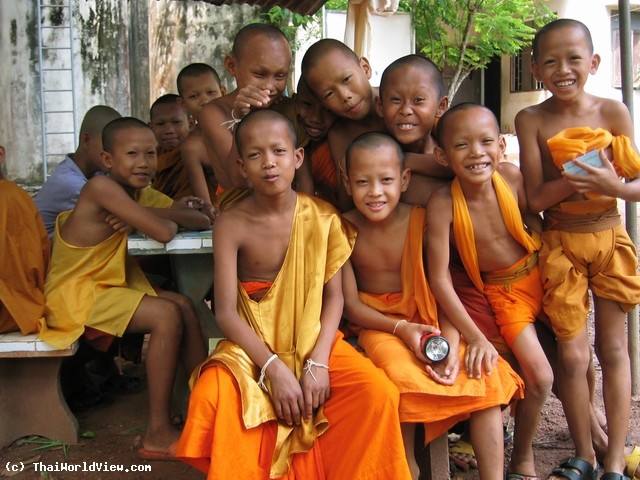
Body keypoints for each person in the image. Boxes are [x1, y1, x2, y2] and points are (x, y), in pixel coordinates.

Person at [176, 110, 411, 479]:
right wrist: (273, 368)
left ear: (297, 157)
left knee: (376, 392)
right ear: (241, 165)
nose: (268, 163)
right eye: (255, 155)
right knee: (211, 392)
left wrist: (317, 363)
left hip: (313, 339)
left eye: (279, 151)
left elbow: (334, 298)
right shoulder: (231, 224)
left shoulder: (322, 216)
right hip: (250, 345)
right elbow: (226, 313)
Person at [340, 131, 524, 480]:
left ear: (405, 180)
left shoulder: (421, 222)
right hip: (381, 326)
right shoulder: (341, 228)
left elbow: (443, 290)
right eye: (363, 182)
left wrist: (452, 346)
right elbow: (350, 305)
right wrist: (402, 329)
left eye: (386, 180)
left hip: (432, 319)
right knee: (399, 376)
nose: (375, 192)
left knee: (483, 372)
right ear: (347, 182)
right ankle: (406, 468)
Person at [39, 117, 210, 459]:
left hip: (106, 288)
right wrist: (152, 216)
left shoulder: (138, 195)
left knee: (184, 305)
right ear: (107, 160)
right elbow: (163, 232)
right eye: (132, 153)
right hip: (75, 294)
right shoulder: (99, 190)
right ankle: (158, 432)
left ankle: (204, 408)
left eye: (151, 153)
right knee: (166, 315)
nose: (144, 162)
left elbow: (203, 219)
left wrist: (139, 211)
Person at [515, 18, 640, 480]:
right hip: (561, 242)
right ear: (535, 69)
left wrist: (612, 184)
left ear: (594, 62)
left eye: (573, 59)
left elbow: (635, 182)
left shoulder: (613, 111)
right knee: (572, 356)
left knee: (612, 350)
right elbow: (532, 198)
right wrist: (574, 176)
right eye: (550, 61)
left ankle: (613, 461)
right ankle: (584, 454)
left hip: (610, 235)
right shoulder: (531, 119)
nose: (563, 69)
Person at [425, 103, 553, 479]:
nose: (476, 153)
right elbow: (439, 278)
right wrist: (475, 336)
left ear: (500, 145)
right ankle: (523, 455)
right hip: (504, 293)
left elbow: (536, 222)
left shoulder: (511, 178)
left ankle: (590, 441)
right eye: (462, 145)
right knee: (541, 377)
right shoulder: (443, 204)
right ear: (442, 156)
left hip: (542, 276)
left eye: (485, 142)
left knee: (575, 363)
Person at [301, 39, 450, 211]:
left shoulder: (404, 101)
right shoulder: (340, 134)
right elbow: (347, 202)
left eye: (347, 79)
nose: (345, 96)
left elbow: (457, 160)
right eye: (328, 94)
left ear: (365, 68)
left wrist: (405, 161)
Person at [197, 23, 312, 196]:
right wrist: (240, 117)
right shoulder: (214, 112)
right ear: (231, 65)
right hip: (239, 209)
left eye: (280, 76)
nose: (270, 86)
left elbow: (304, 178)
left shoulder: (287, 109)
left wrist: (305, 217)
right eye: (259, 75)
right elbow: (240, 180)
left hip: (290, 208)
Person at [375, 54, 453, 206]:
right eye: (396, 100)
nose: (405, 110)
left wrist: (406, 160)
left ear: (441, 106)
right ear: (380, 106)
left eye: (418, 100)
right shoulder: (373, 152)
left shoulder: (452, 144)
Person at [35, 105, 122, 237]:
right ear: (86, 139)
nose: (115, 152)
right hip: (47, 255)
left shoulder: (95, 172)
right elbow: (125, 216)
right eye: (108, 144)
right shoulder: (70, 183)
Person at [0, 144, 50, 335]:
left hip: (10, 308)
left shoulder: (12, 198)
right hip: (22, 307)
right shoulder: (16, 196)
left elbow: (35, 264)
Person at [176, 63, 226, 222]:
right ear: (182, 104)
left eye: (211, 92)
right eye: (194, 96)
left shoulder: (240, 126)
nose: (205, 101)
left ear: (223, 92)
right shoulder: (192, 147)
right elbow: (205, 203)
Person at [294, 77, 341, 207]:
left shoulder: (338, 144)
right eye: (307, 105)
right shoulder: (287, 136)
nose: (316, 118)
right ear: (295, 101)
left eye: (327, 109)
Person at [149, 94, 196, 200]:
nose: (169, 130)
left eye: (176, 122)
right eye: (160, 124)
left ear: (191, 124)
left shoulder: (195, 153)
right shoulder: (152, 155)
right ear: (151, 128)